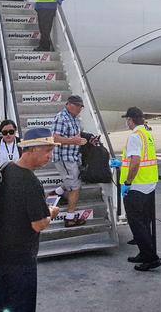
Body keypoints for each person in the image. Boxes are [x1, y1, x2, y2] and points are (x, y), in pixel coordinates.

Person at [0, 128, 60, 312]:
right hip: (20, 260)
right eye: (47, 151)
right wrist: (51, 213)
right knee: (22, 306)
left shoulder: (5, 169)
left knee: (5, 304)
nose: (50, 156)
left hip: (0, 254)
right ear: (32, 150)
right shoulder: (30, 182)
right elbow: (38, 225)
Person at [120, 107, 161, 272]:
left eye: (127, 120)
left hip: (137, 186)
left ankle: (151, 258)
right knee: (144, 222)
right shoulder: (147, 134)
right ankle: (144, 253)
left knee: (137, 224)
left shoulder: (135, 136)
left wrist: (128, 182)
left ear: (130, 120)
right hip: (149, 183)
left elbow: (136, 161)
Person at [51, 95, 97, 227]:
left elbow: (79, 135)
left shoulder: (74, 118)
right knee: (75, 187)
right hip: (64, 158)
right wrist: (73, 141)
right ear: (69, 104)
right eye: (77, 106)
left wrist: (89, 139)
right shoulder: (61, 118)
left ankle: (58, 192)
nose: (79, 109)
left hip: (74, 156)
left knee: (74, 180)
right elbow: (54, 138)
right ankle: (70, 218)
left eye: (81, 106)